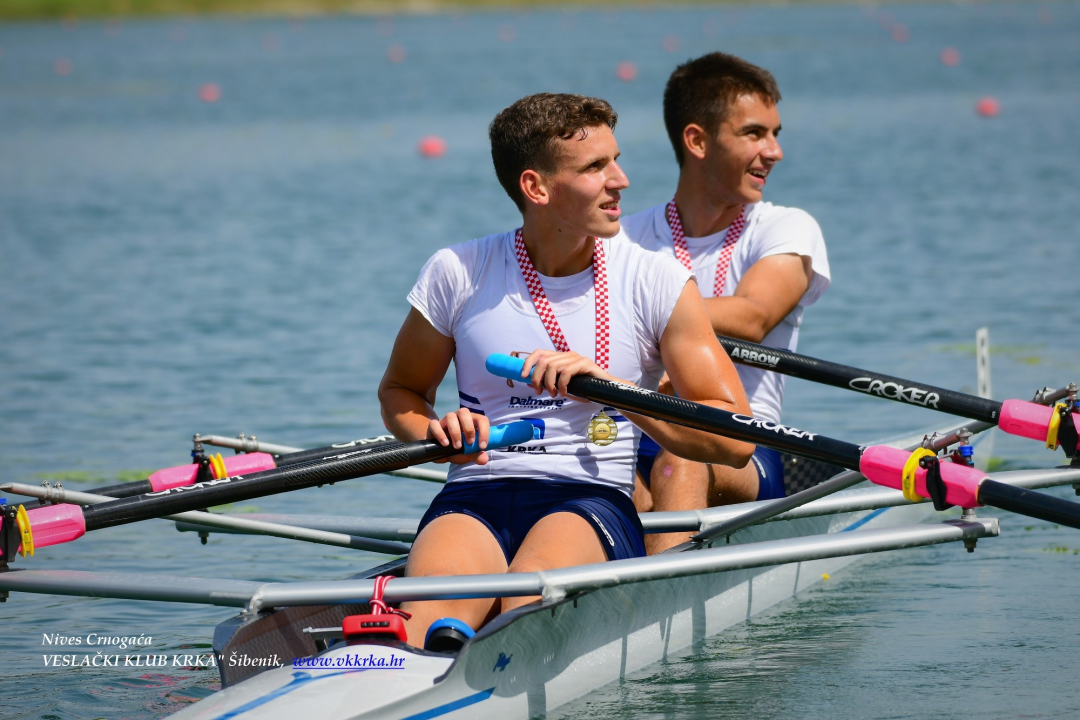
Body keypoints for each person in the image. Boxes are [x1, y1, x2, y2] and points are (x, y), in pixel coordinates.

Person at [378, 93, 753, 647]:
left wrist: (612, 390)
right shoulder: (457, 271)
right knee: (424, 615)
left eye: (616, 160)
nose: (621, 180)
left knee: (527, 603)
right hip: (476, 492)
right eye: (596, 166)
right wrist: (435, 434)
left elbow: (736, 438)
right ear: (537, 188)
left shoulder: (655, 281)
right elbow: (400, 391)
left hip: (588, 497)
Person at [622, 52, 831, 554]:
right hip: (636, 431)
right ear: (697, 141)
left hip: (741, 443)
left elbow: (753, 317)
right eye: (754, 134)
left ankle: (659, 592)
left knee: (681, 461)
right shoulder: (624, 238)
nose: (774, 151)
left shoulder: (785, 228)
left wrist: (639, 311)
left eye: (774, 133)